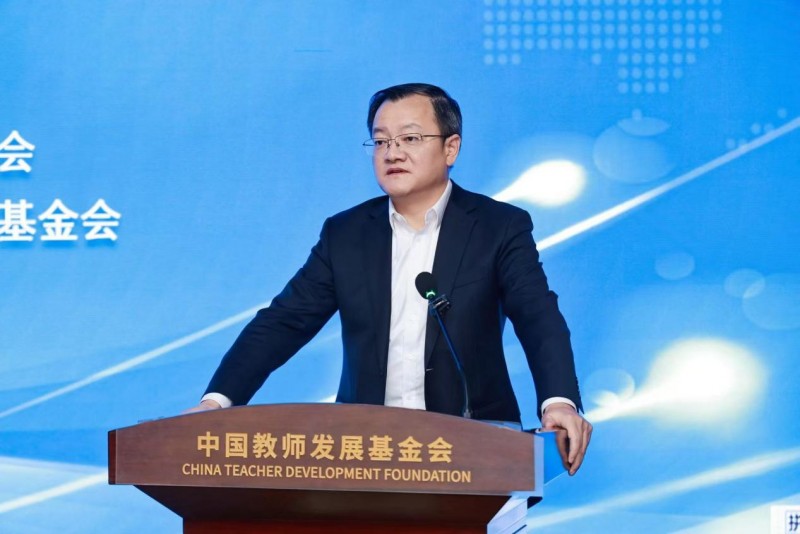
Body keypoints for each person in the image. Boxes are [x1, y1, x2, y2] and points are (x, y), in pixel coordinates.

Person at [187, 83, 592, 475]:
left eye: (410, 138)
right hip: (367, 453)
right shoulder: (346, 234)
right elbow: (284, 322)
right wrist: (217, 401)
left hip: (477, 446)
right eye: (381, 141)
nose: (392, 152)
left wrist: (558, 402)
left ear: (450, 148)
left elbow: (537, 316)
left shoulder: (497, 227)